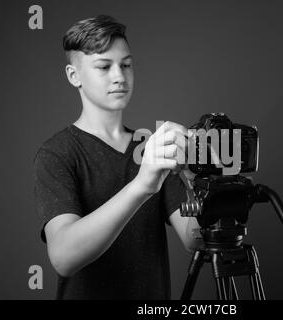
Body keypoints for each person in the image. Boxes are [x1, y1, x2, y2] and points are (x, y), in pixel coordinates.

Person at [33, 15, 201, 300]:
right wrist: (141, 186)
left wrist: (206, 180)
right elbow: (63, 256)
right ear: (74, 76)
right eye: (104, 66)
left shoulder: (154, 148)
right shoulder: (57, 153)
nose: (120, 76)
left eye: (126, 65)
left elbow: (196, 239)